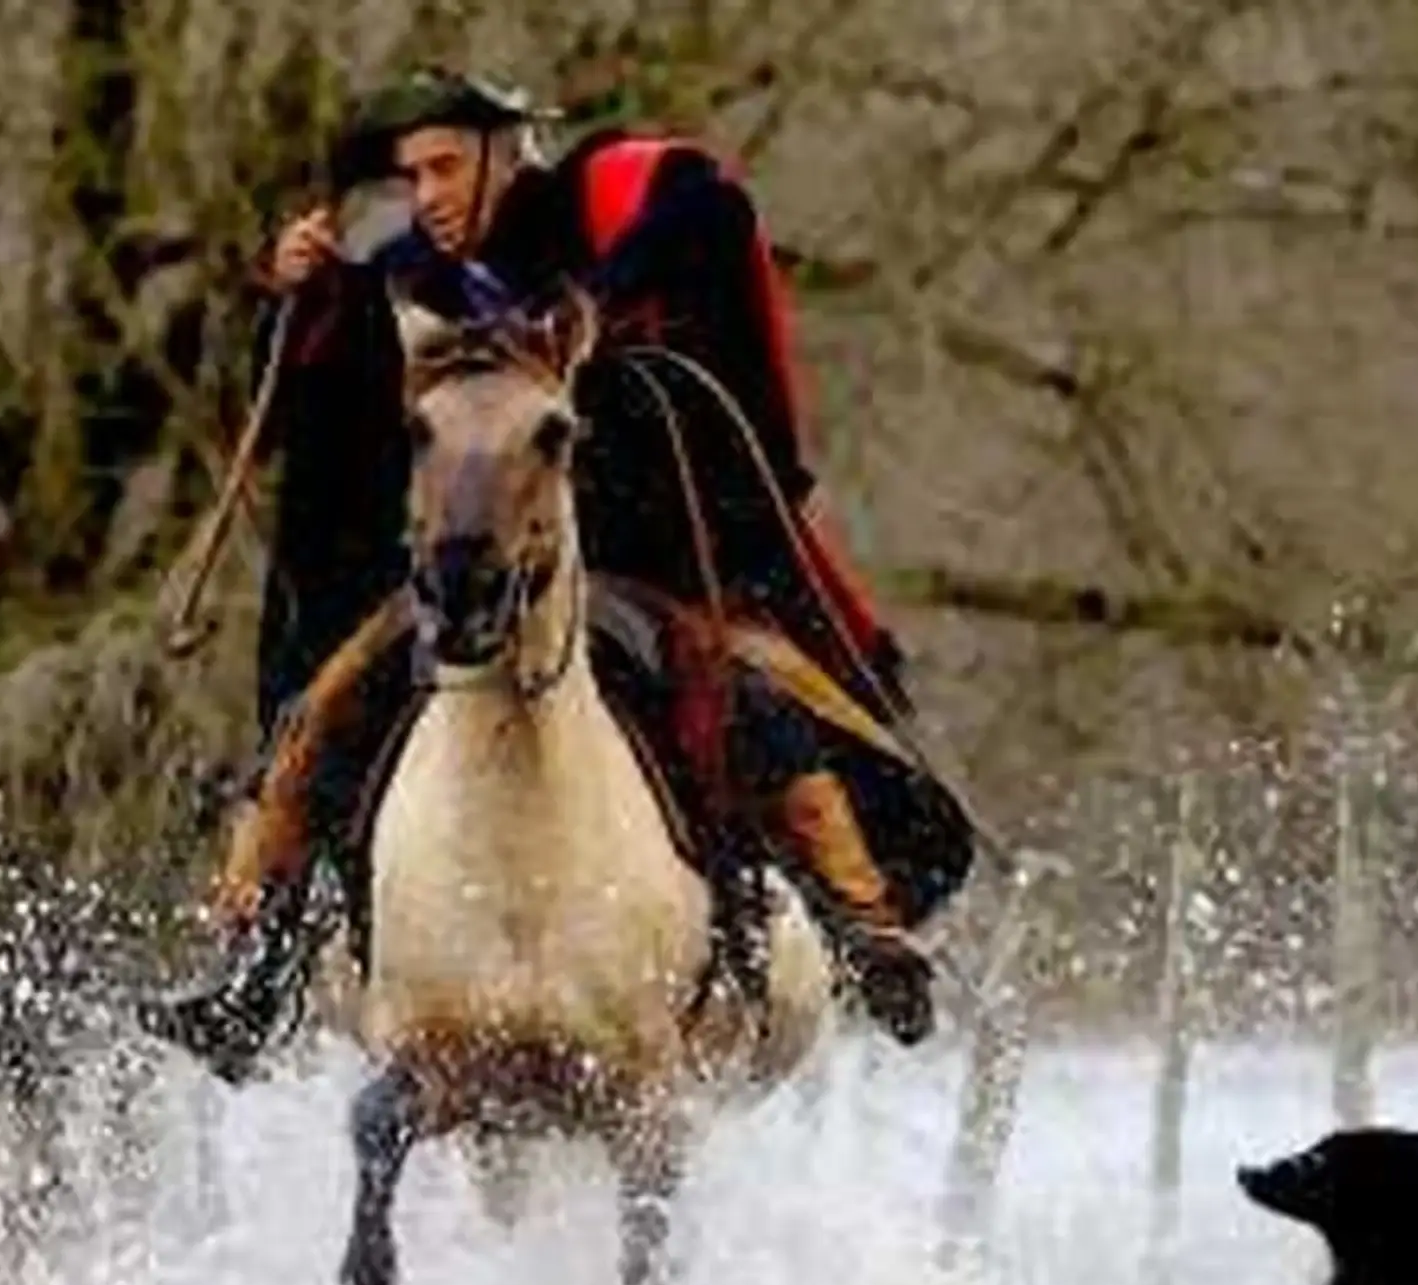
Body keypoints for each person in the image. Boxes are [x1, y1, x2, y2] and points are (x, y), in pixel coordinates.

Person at [139, 68, 975, 1078]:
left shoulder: (606, 194)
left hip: (660, 557)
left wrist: (589, 304)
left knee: (756, 700)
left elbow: (710, 211)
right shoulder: (416, 287)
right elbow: (346, 418)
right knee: (326, 713)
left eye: (446, 165)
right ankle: (258, 967)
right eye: (410, 177)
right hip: (482, 567)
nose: (429, 195)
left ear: (505, 152)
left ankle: (865, 927)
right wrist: (305, 296)